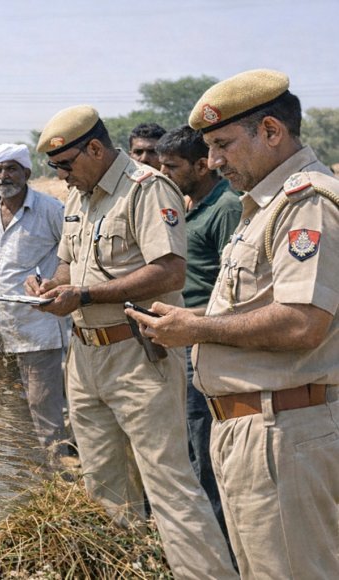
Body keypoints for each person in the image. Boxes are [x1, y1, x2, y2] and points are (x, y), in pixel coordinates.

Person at [127, 69, 339, 579]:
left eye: (222, 144)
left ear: (271, 131)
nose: (214, 161)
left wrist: (197, 330)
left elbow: (303, 324)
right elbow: (261, 309)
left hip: (283, 432)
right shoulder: (263, 209)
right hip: (256, 429)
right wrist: (193, 319)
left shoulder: (305, 204)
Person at [26, 106, 236, 579]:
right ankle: (131, 568)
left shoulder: (147, 189)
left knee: (168, 484)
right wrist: (49, 287)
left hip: (137, 353)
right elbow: (67, 266)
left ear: (95, 149)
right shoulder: (79, 199)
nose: (60, 176)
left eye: (65, 165)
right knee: (102, 482)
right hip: (83, 356)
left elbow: (170, 270)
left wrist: (84, 293)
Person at [155, 124, 241, 549]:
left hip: (205, 338)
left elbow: (235, 292)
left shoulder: (226, 207)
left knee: (203, 440)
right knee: (185, 438)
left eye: (171, 166)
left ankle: (220, 545)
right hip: (180, 335)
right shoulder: (185, 203)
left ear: (201, 165)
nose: (163, 173)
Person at [0, 143, 69, 459]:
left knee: (46, 406)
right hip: (2, 327)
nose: (4, 176)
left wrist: (55, 282)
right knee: (17, 404)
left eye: (11, 168)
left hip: (40, 327)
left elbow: (74, 255)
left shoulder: (50, 209)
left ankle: (62, 476)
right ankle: (29, 469)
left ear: (26, 172)